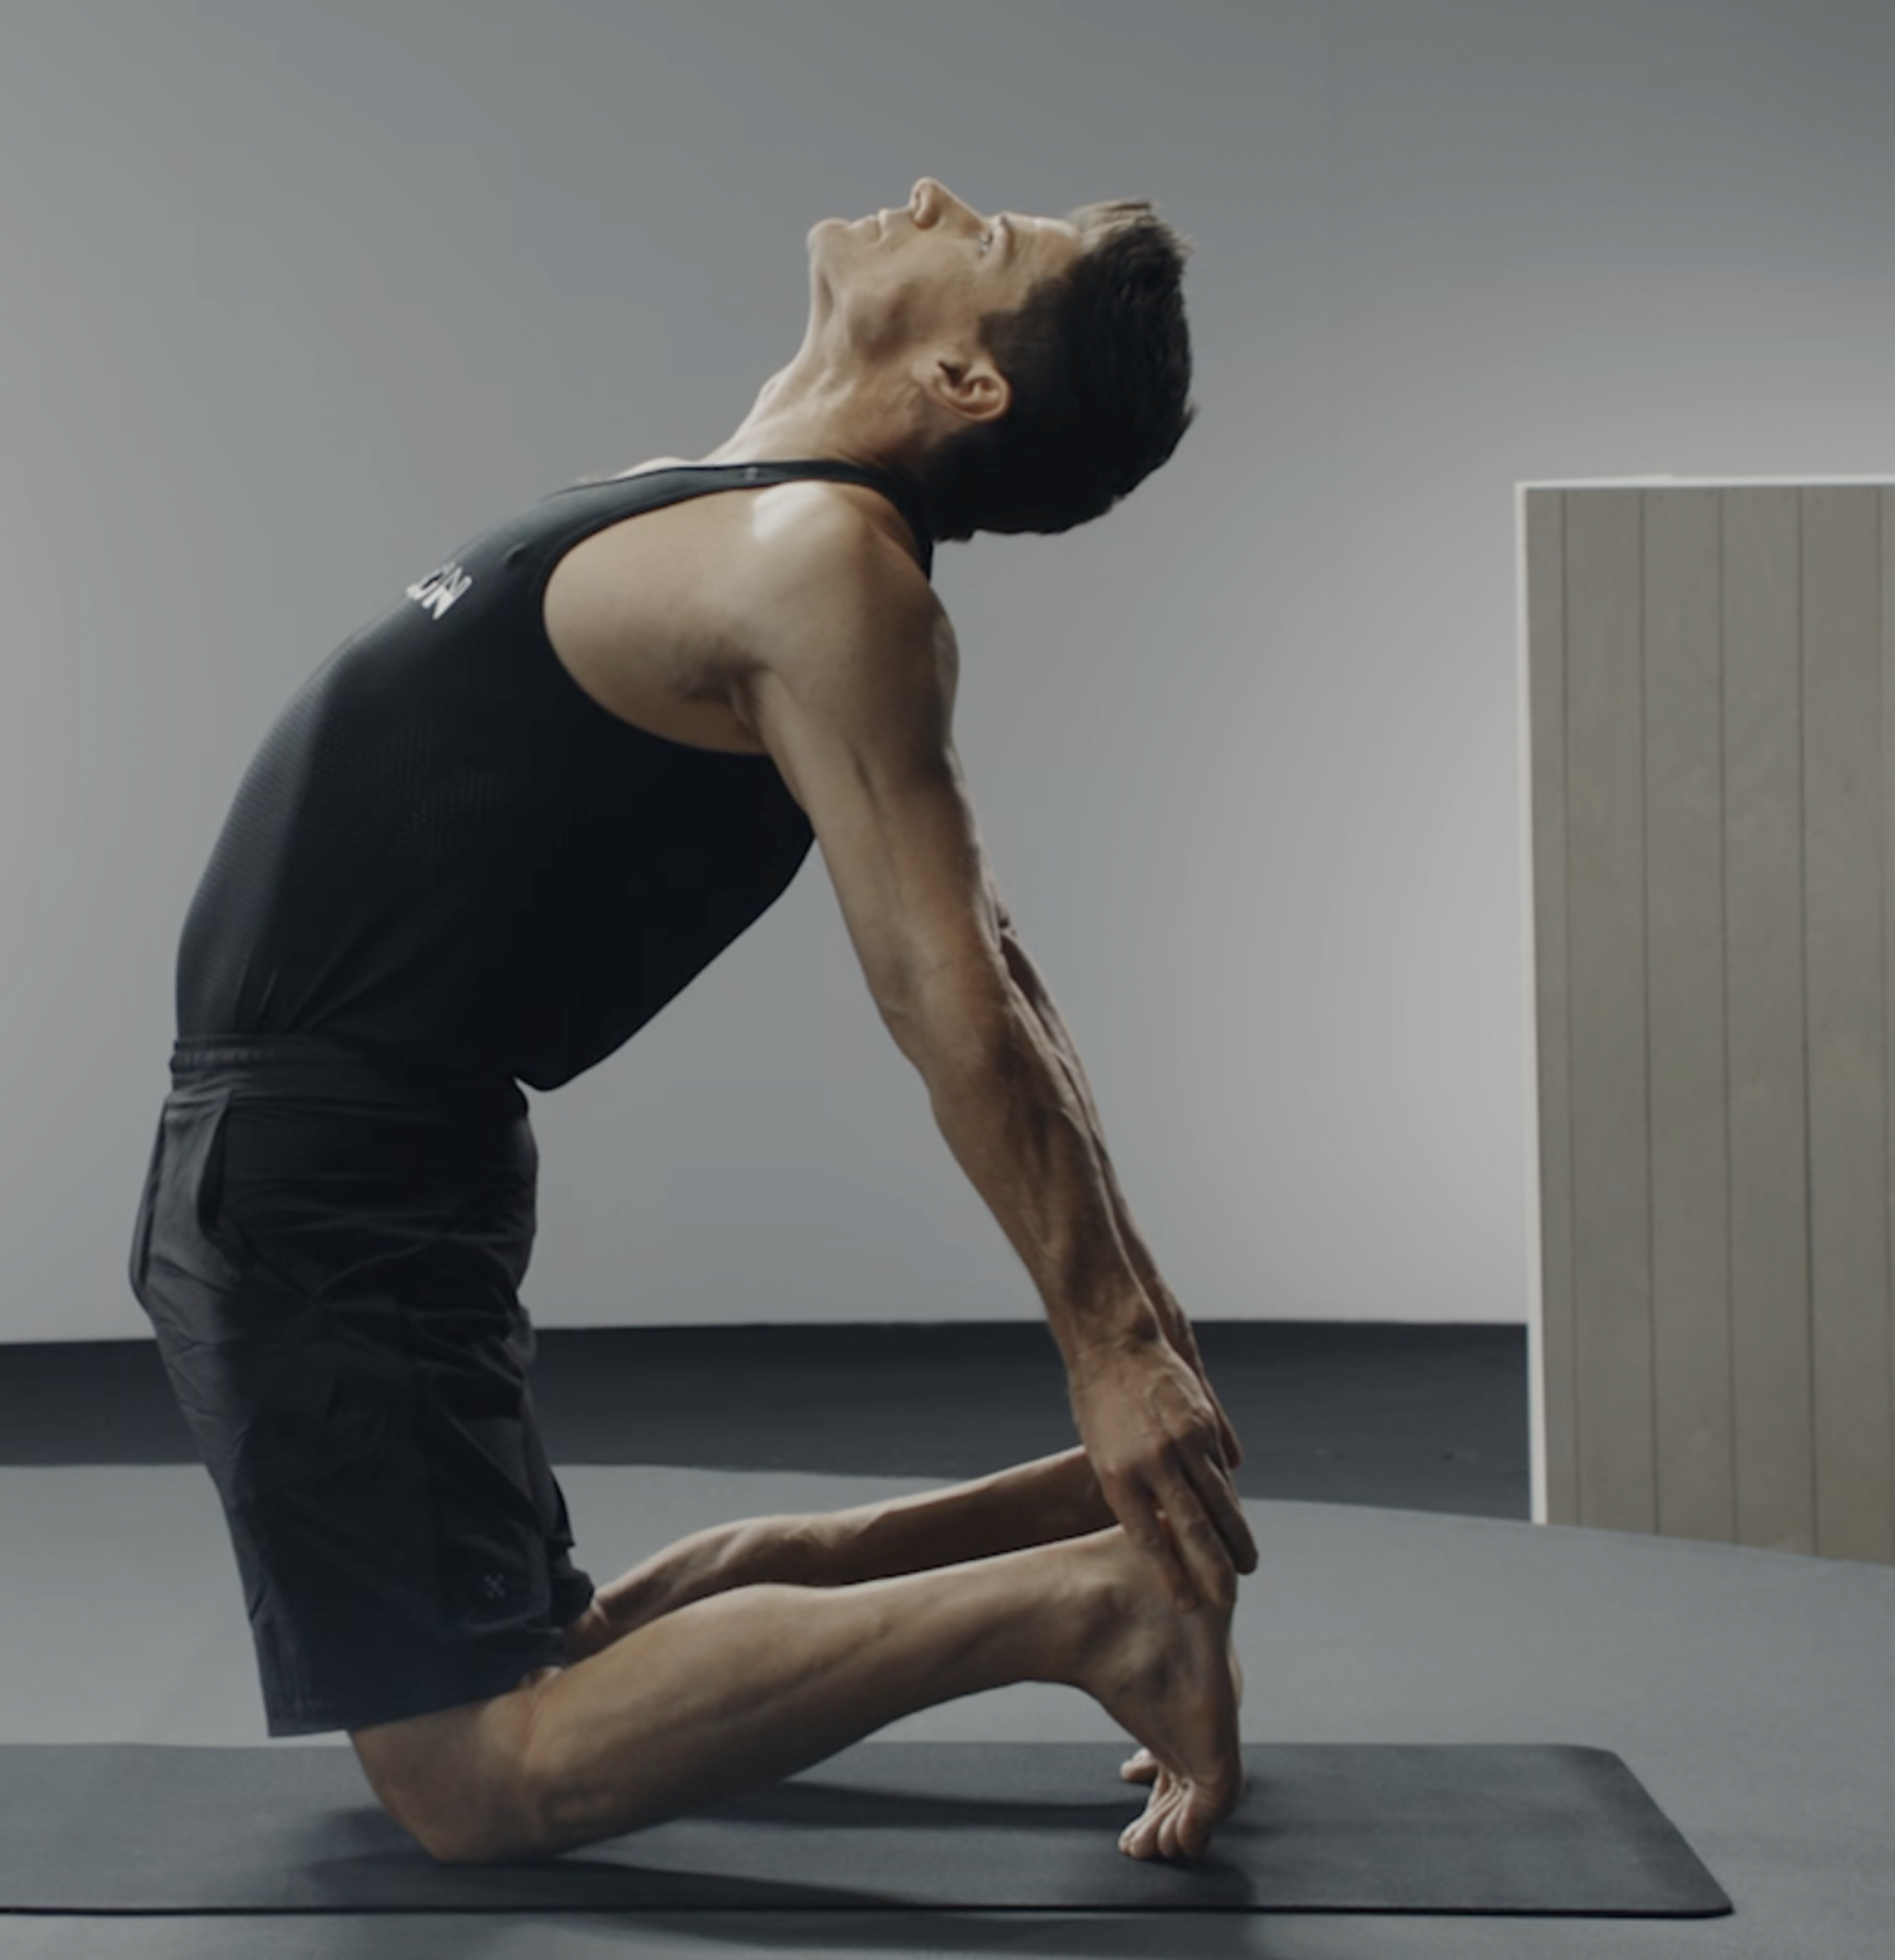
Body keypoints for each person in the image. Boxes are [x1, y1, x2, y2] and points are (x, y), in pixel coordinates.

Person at [127, 177, 1257, 1867]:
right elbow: (1000, 960)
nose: (943, 196)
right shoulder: (750, 514)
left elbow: (950, 976)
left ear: (970, 383)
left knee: (480, 1769)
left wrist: (1116, 1340)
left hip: (333, 1169)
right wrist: (1141, 1339)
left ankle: (1093, 1610)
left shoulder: (824, 565)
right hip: (340, 1145)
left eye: (996, 241)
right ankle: (1088, 1527)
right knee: (575, 1661)